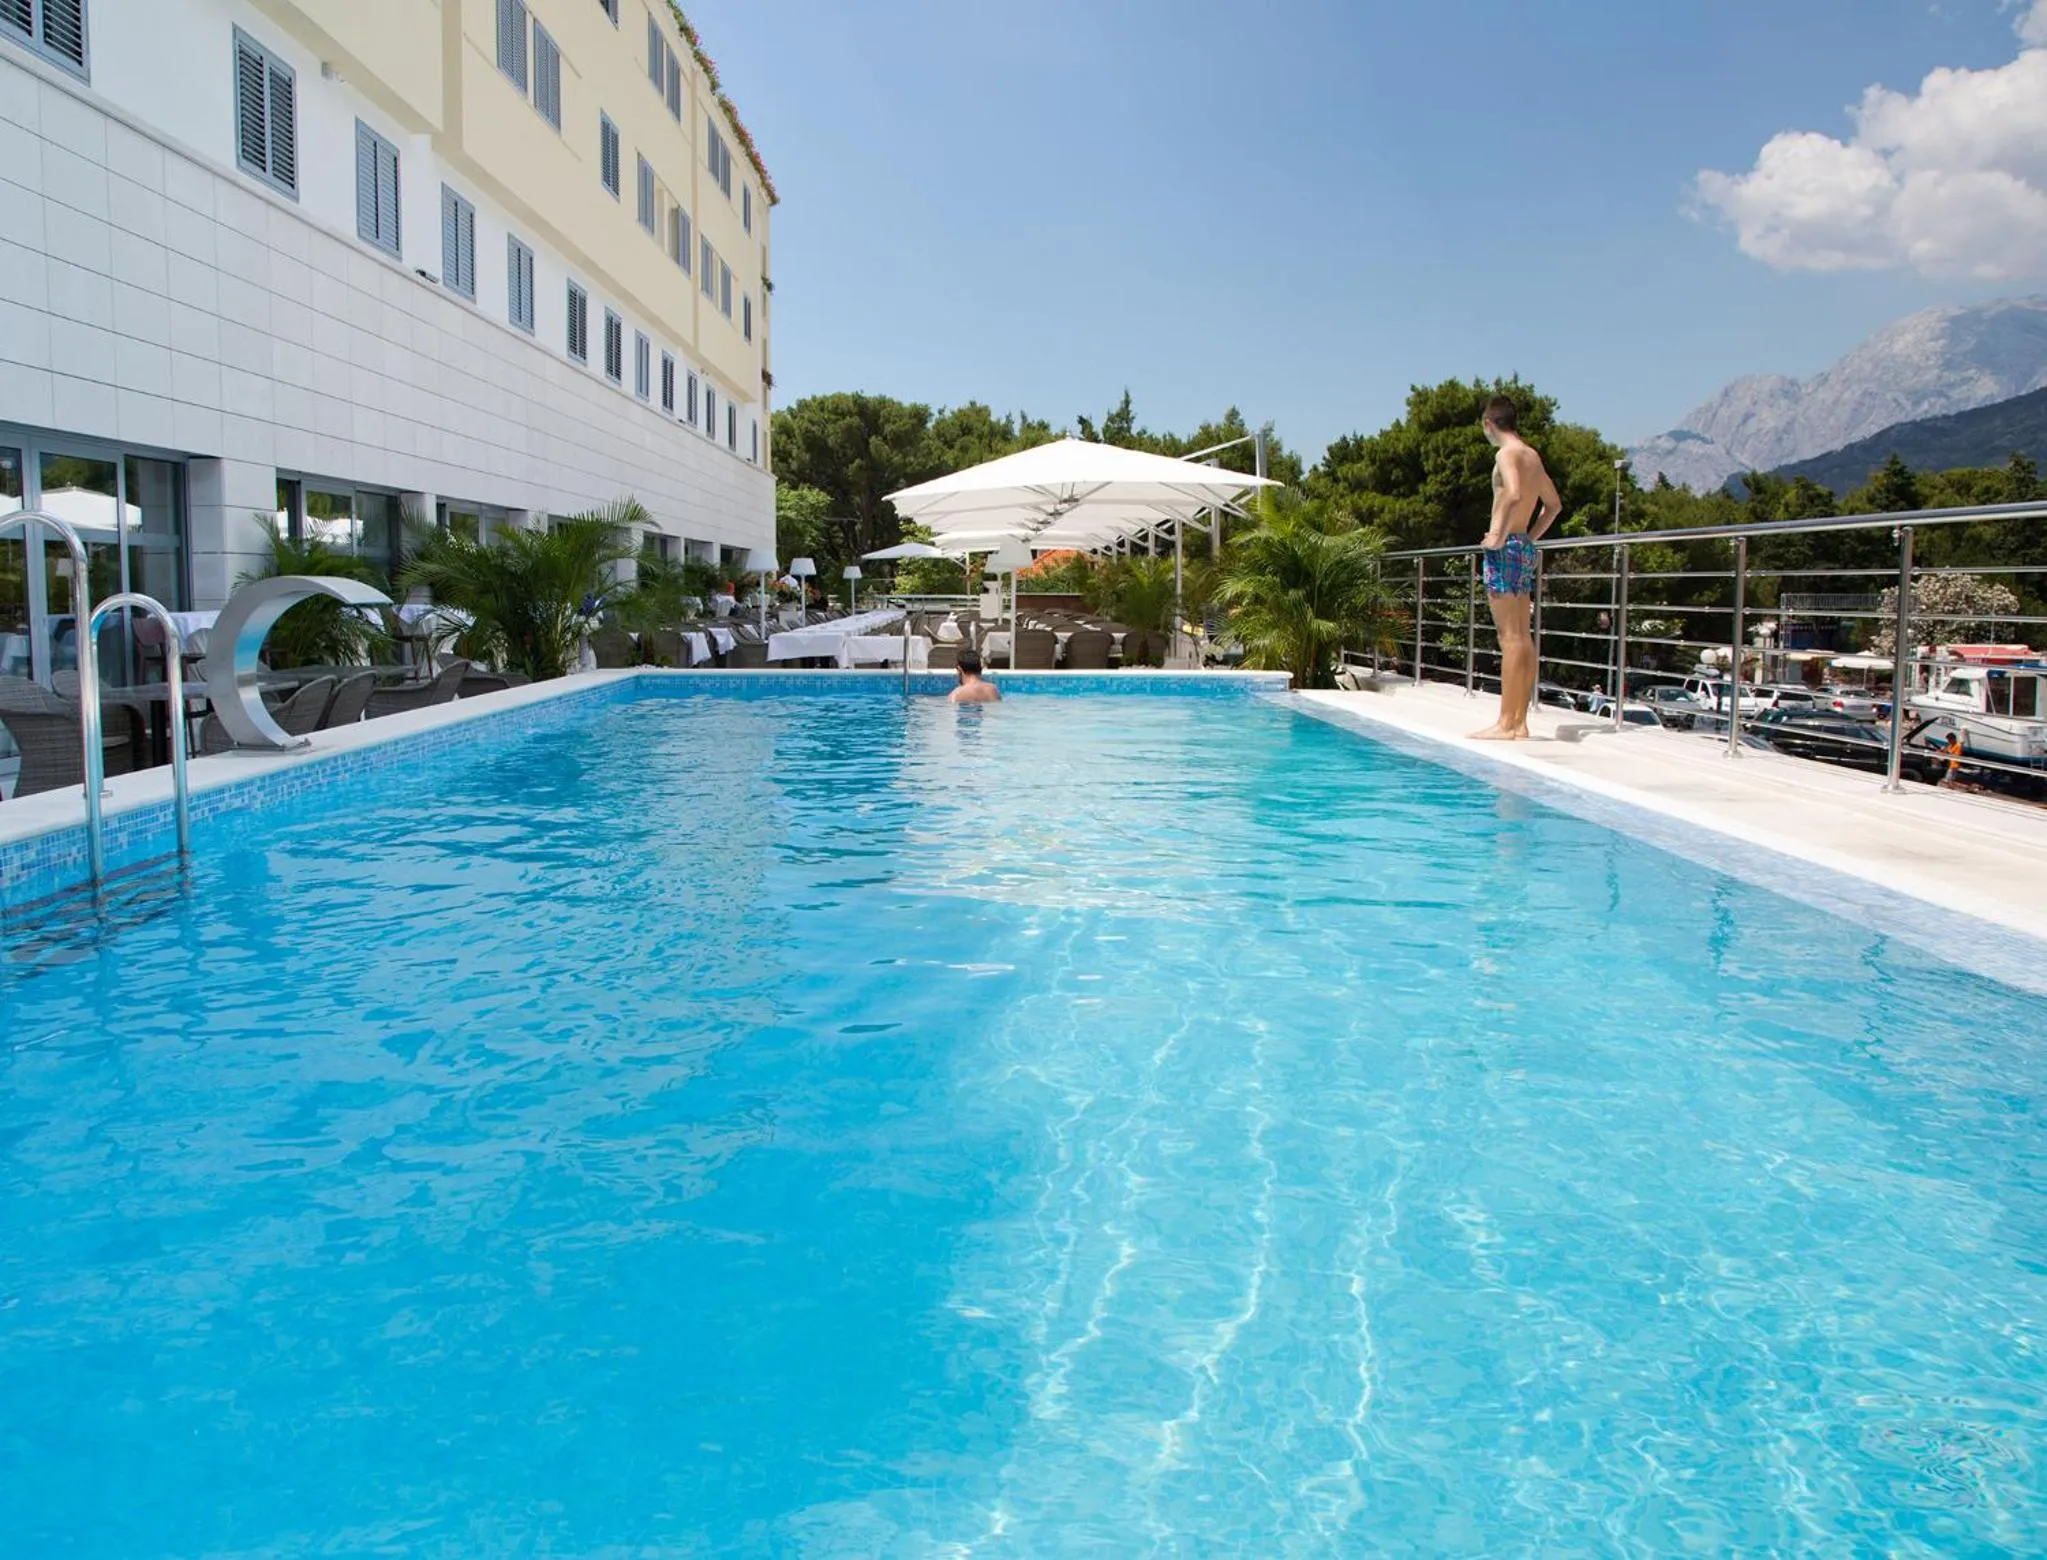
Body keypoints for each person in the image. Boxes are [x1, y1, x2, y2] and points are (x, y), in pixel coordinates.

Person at [1473, 393, 1566, 740]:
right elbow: (1553, 506)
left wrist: (1497, 534)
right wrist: (1528, 537)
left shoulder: (1506, 453)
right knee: (1523, 638)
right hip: (1523, 549)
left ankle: (1505, 724)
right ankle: (1520, 722)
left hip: (1505, 550)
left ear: (1489, 424)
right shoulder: (1532, 456)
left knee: (1509, 638)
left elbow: (1512, 493)